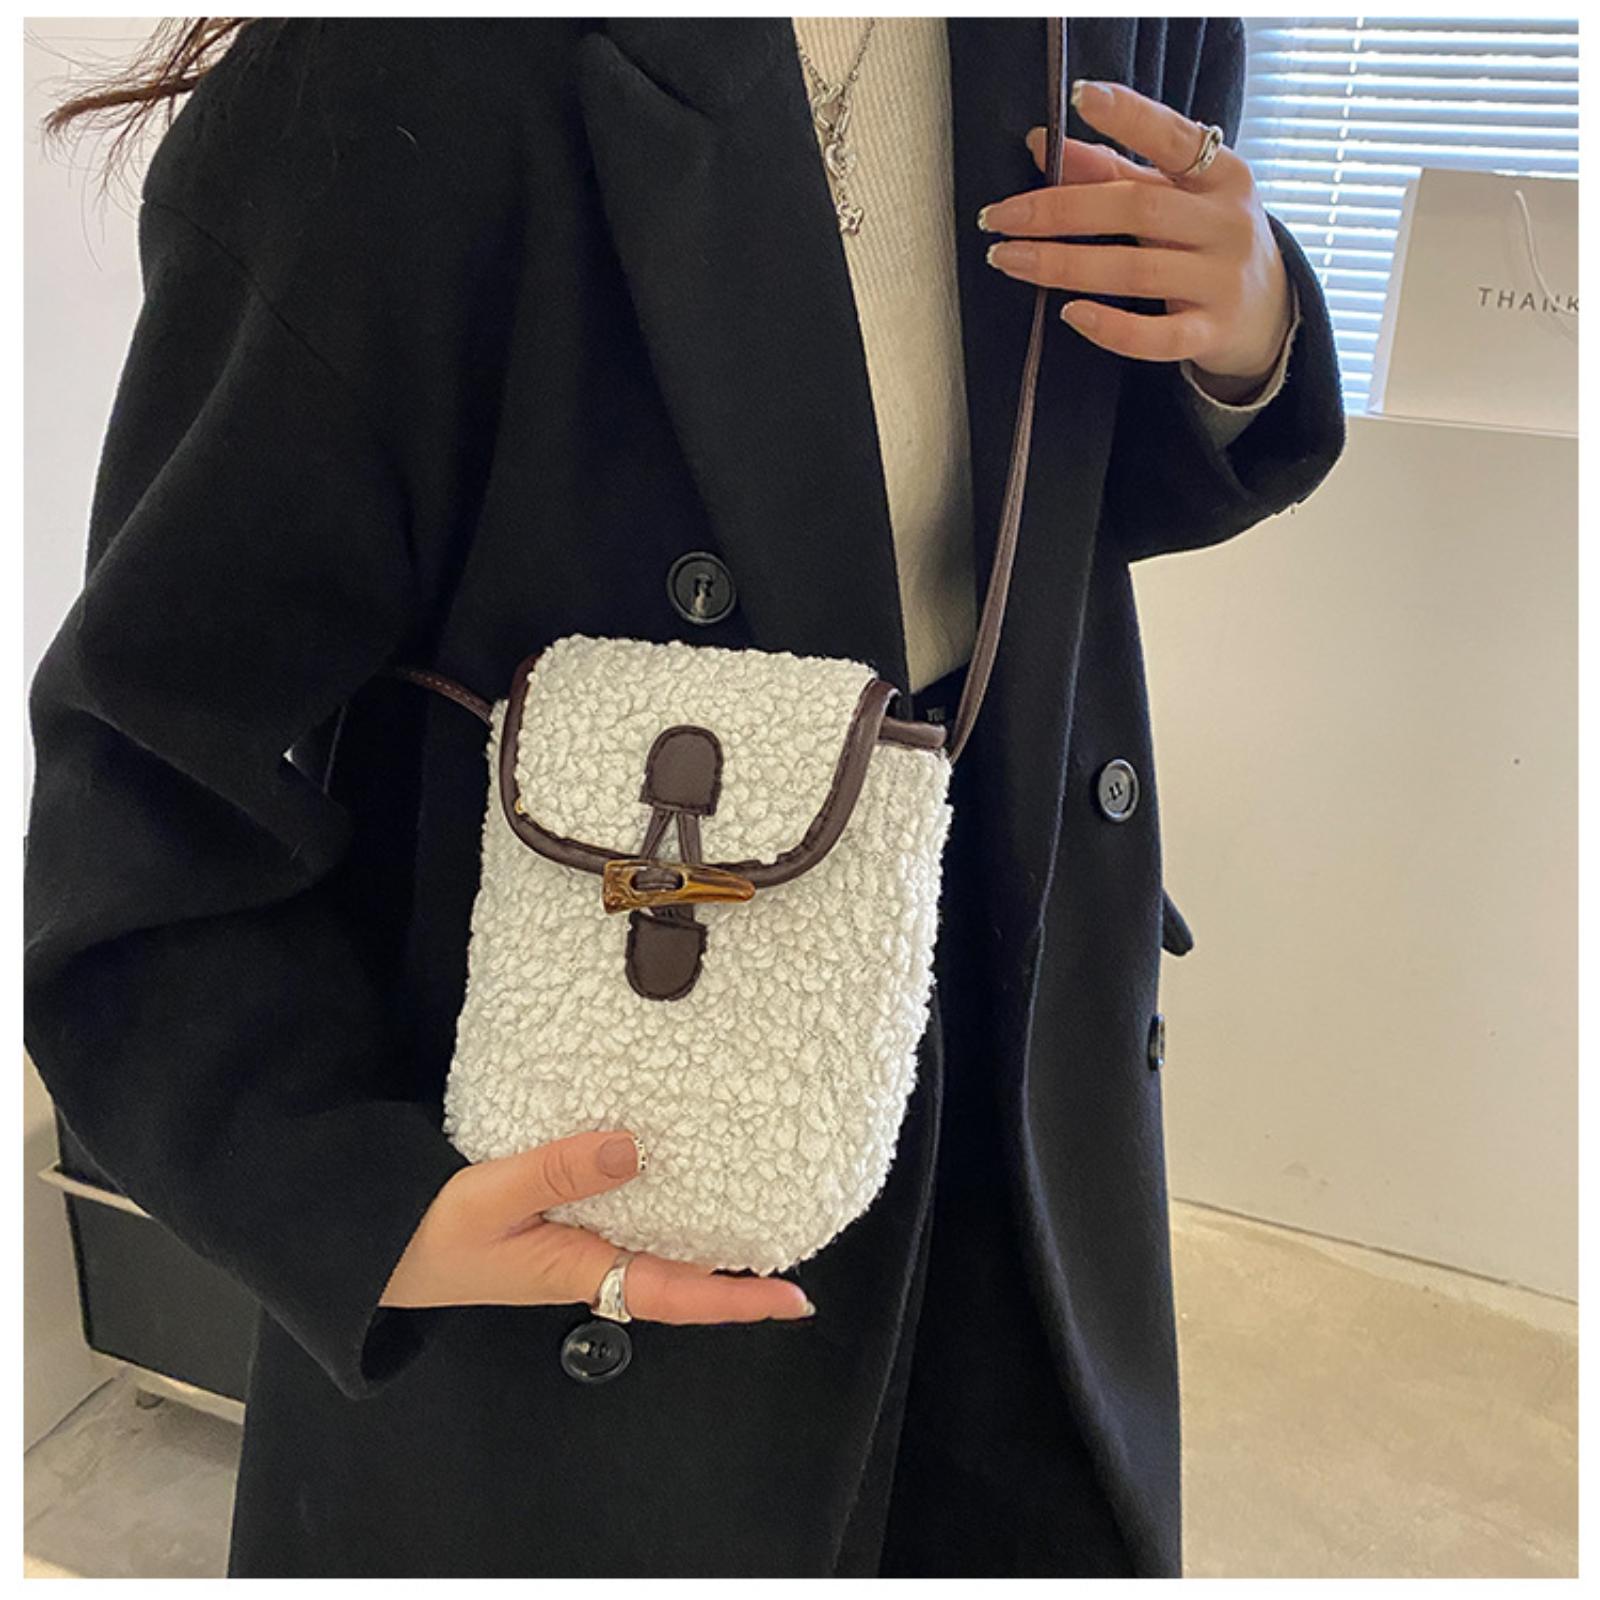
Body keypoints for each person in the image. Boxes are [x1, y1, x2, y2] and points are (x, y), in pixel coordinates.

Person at [24, 16, 1344, 1579]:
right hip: (600, 1112)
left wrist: (1248, 334)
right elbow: (154, 752)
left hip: (1014, 1059)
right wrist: (345, 1195)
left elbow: (1040, 502)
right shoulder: (399, 65)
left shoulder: (1120, 24)